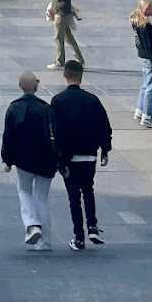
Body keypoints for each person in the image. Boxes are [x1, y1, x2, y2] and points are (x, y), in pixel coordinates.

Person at [48, 60, 110, 251]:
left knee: (73, 197)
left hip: (69, 157)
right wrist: (105, 149)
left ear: (65, 75)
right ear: (81, 77)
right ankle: (93, 226)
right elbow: (104, 126)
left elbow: (54, 132)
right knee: (88, 190)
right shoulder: (92, 100)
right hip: (89, 154)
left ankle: (79, 237)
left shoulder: (57, 101)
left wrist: (58, 159)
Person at [1, 69, 56, 251]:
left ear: (20, 86)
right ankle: (44, 242)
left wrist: (7, 159)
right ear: (35, 85)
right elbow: (55, 135)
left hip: (24, 159)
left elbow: (8, 136)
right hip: (45, 160)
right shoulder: (46, 108)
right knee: (42, 198)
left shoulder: (14, 108)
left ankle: (32, 224)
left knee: (24, 191)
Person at [131, 0, 152, 127]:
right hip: (149, 58)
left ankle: (140, 110)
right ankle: (148, 115)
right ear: (145, 9)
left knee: (146, 84)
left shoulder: (138, 22)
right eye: (151, 8)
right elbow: (149, 46)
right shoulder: (144, 26)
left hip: (143, 56)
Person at [47, 0, 84, 69]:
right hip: (60, 13)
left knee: (58, 38)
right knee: (68, 37)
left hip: (62, 14)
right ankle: (79, 58)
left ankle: (59, 61)